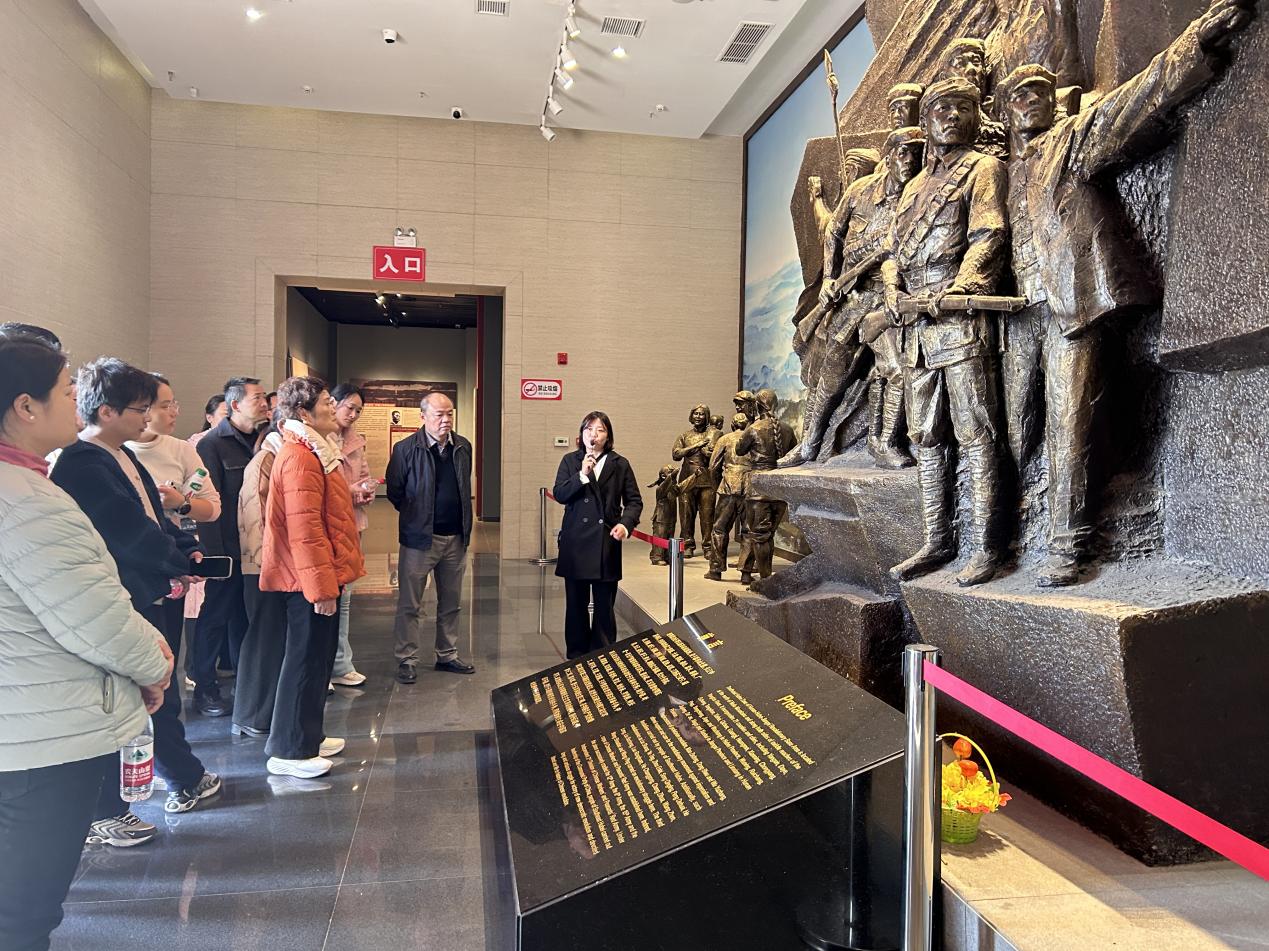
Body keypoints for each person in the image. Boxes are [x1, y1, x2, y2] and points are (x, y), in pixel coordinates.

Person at [997, 0, 1255, 585]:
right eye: (1019, 96)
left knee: (1069, 424)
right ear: (1006, 110)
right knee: (1019, 428)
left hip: (1073, 307)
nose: (1030, 101)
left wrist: (1195, 43)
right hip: (1019, 317)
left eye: (1039, 92)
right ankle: (1022, 528)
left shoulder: (1071, 140)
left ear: (1054, 100)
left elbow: (1135, 103)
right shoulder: (1002, 174)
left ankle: (1068, 544)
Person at [0, 335, 172, 951]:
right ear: (26, 406)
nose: (77, 400)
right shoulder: (28, 502)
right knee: (23, 914)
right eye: (66, 390)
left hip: (22, 717)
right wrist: (153, 663)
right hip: (40, 732)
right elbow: (93, 617)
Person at [51, 358, 223, 823]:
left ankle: (178, 776)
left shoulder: (117, 454)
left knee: (156, 691)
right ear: (106, 411)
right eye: (140, 409)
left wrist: (186, 552)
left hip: (147, 591)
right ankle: (113, 809)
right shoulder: (82, 463)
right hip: (122, 597)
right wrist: (175, 562)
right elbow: (127, 532)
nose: (148, 418)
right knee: (136, 698)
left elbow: (153, 520)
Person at [883, 77, 1009, 587]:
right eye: (941, 108)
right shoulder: (913, 187)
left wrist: (961, 285)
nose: (952, 115)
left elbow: (989, 234)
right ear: (927, 120)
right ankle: (936, 541)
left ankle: (986, 548)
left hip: (957, 321)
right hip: (915, 328)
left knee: (976, 433)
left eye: (962, 107)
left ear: (976, 117)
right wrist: (892, 289)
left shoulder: (983, 169)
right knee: (925, 436)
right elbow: (893, 254)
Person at [259, 377, 364, 778]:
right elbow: (306, 531)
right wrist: (321, 589)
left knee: (318, 660)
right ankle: (289, 750)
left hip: (318, 575)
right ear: (304, 413)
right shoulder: (300, 456)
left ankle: (308, 736)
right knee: (303, 662)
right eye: (325, 402)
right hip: (306, 580)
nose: (332, 407)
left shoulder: (316, 449)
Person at [193, 377, 270, 716]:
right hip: (227, 550)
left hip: (258, 550)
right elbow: (207, 505)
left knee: (246, 620)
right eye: (257, 398)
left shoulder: (266, 440)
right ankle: (204, 688)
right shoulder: (212, 444)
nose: (265, 403)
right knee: (215, 618)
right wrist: (216, 557)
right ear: (235, 404)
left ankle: (245, 687)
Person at [387, 392, 476, 684]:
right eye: (439, 415)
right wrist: (417, 517)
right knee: (410, 604)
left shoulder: (463, 447)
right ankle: (407, 659)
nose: (446, 420)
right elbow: (395, 492)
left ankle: (447, 654)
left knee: (451, 602)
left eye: (450, 413)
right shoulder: (405, 449)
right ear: (423, 417)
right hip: (419, 539)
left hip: (456, 538)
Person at [552, 412, 643, 659]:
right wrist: (582, 475)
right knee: (576, 605)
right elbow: (559, 494)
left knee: (604, 606)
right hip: (575, 543)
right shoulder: (570, 461)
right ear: (582, 434)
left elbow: (634, 501)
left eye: (600, 429)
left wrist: (625, 524)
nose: (594, 434)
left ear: (608, 436)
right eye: (589, 429)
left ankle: (602, 656)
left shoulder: (620, 463)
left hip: (606, 542)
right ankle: (576, 655)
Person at [231, 413, 286, 737]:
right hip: (263, 566)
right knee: (263, 639)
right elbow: (256, 520)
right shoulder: (265, 460)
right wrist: (269, 565)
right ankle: (252, 714)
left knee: (271, 638)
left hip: (271, 565)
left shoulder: (275, 457)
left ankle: (261, 713)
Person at [330, 383, 374, 687]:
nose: (353, 414)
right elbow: (321, 488)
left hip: (352, 525)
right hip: (327, 527)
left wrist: (365, 490)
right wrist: (349, 490)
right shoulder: (319, 440)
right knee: (323, 599)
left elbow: (364, 476)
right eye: (350, 407)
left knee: (345, 598)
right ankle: (323, 666)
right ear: (332, 403)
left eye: (358, 410)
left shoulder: (356, 441)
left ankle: (341, 664)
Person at [705, 413, 753, 582]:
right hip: (749, 487)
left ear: (733, 425)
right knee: (748, 531)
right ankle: (746, 573)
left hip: (728, 486)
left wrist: (716, 486)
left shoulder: (724, 439)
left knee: (719, 529)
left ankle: (715, 570)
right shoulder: (753, 440)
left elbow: (713, 467)